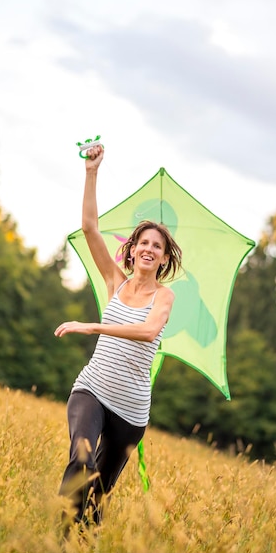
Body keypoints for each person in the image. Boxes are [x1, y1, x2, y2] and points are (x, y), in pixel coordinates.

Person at [54, 144, 182, 530]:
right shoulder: (115, 280)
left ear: (163, 258)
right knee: (82, 461)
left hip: (131, 411)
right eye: (143, 242)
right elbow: (91, 228)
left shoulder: (165, 296)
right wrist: (92, 171)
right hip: (92, 389)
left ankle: (82, 543)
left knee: (99, 493)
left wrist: (93, 326)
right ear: (131, 250)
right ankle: (57, 540)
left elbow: (148, 332)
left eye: (157, 246)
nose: (149, 248)